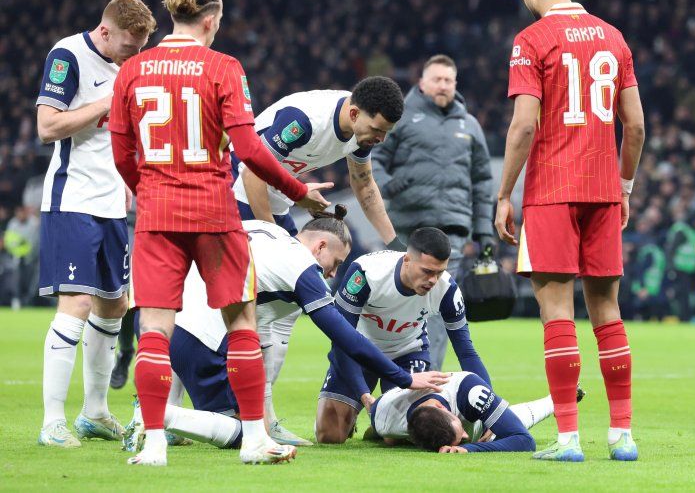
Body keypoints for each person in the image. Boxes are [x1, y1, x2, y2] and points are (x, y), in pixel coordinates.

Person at [108, 0, 332, 466]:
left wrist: (148, 190)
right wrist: (299, 192)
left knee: (154, 330)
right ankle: (254, 439)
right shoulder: (224, 67)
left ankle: (154, 444)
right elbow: (250, 148)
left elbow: (122, 154)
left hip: (157, 214)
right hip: (213, 210)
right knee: (242, 322)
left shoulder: (132, 71)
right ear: (211, 20)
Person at [122, 212, 449, 452]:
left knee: (255, 423)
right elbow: (342, 335)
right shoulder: (300, 266)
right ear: (320, 246)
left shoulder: (265, 230)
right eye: (335, 262)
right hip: (202, 338)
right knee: (244, 434)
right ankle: (156, 415)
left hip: (175, 315)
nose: (333, 272)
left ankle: (158, 414)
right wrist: (404, 378)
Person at [494, 0, 645, 462]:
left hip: (551, 191)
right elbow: (637, 126)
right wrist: (624, 186)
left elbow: (524, 125)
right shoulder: (614, 36)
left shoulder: (531, 40)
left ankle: (568, 440)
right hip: (603, 189)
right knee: (609, 313)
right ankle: (622, 437)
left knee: (556, 313)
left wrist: (503, 194)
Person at [230, 80, 407, 441]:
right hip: (235, 195)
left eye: (386, 133)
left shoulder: (357, 134)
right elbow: (250, 171)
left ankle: (264, 418)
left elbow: (365, 185)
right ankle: (198, 409)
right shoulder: (306, 120)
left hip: (274, 203)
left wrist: (395, 245)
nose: (380, 139)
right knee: (232, 311)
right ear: (355, 114)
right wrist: (272, 238)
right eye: (377, 130)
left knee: (283, 314)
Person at [35, 0, 156, 448]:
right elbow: (47, 126)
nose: (135, 55)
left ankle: (96, 412)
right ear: (105, 31)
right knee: (78, 304)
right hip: (73, 198)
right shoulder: (68, 55)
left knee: (114, 306)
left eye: (141, 46)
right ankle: (52, 422)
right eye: (129, 45)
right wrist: (109, 100)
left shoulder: (132, 64)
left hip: (112, 206)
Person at [372, 54, 495, 371]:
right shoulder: (399, 118)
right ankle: (389, 374)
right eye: (437, 79)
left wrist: (483, 231)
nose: (443, 85)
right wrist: (390, 185)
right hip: (406, 231)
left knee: (440, 310)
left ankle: (429, 380)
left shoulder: (469, 125)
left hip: (450, 232)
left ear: (456, 84)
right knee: (395, 304)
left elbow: (482, 182)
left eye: (448, 80)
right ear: (422, 83)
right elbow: (373, 159)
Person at [314, 227, 490, 444]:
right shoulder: (366, 272)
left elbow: (466, 351)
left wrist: (487, 411)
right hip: (358, 352)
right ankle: (368, 420)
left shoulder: (447, 290)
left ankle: (380, 430)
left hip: (408, 353)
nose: (433, 280)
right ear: (407, 260)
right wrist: (364, 395)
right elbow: (341, 339)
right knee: (329, 436)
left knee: (403, 437)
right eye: (427, 271)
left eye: (439, 272)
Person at [369, 371, 552, 454]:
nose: (465, 435)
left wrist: (467, 448)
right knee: (390, 439)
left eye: (460, 429)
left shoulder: (469, 390)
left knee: (498, 430)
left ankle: (554, 401)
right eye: (462, 438)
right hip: (398, 420)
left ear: (441, 407)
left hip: (472, 403)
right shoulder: (384, 419)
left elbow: (524, 440)